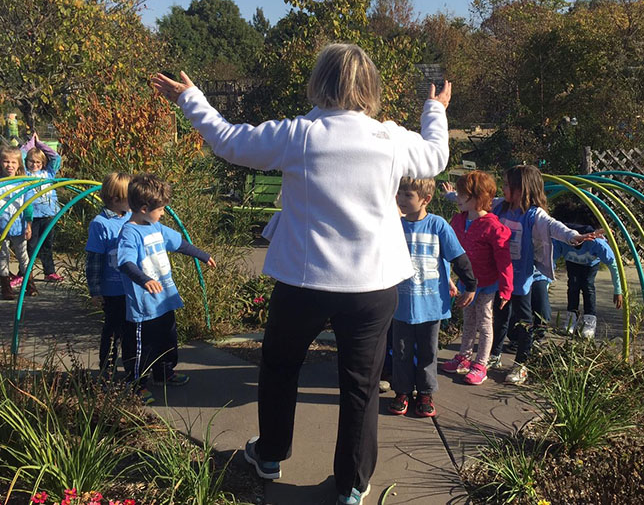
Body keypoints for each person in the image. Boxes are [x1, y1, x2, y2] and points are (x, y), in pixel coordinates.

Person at [152, 43, 452, 505]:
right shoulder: (390, 139)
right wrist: (434, 108)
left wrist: (192, 98)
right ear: (369, 87)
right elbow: (435, 157)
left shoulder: (300, 134)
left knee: (280, 365)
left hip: (304, 281)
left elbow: (229, 141)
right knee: (361, 383)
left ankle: (270, 453)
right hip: (372, 287)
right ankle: (351, 484)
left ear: (320, 82)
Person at [486, 165, 597, 384]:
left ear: (522, 189)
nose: (503, 188)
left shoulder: (533, 214)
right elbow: (478, 202)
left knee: (525, 320)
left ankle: (521, 364)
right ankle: (494, 355)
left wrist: (574, 236)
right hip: (502, 274)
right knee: (500, 316)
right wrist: (453, 196)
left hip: (522, 276)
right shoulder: (500, 207)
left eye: (508, 185)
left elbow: (554, 226)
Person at [117, 173, 216, 404]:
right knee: (141, 347)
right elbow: (125, 262)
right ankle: (136, 383)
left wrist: (202, 255)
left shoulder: (156, 227)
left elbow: (179, 243)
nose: (162, 213)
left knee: (167, 339)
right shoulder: (129, 233)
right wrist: (144, 280)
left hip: (164, 299)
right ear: (143, 208)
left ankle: (164, 373)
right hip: (144, 306)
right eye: (160, 209)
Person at [389, 177, 476, 417]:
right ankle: (402, 391)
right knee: (401, 352)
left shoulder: (437, 226)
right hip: (400, 305)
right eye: (399, 194)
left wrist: (470, 285)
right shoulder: (394, 226)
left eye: (408, 195)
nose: (401, 199)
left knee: (428, 352)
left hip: (431, 305)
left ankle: (426, 393)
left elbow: (458, 257)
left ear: (425, 199)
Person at [440, 171, 513, 385]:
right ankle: (464, 356)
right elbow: (448, 250)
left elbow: (504, 261)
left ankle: (481, 363)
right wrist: (450, 279)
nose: (458, 198)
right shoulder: (458, 220)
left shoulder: (493, 227)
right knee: (468, 320)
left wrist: (506, 290)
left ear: (477, 198)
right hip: (465, 282)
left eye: (462, 195)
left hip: (487, 284)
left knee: (484, 321)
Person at [551, 200, 623, 338]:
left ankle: (589, 321)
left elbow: (613, 265)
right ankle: (571, 319)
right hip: (572, 262)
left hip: (589, 265)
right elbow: (550, 260)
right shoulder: (562, 241)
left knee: (588, 286)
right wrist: (546, 281)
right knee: (572, 286)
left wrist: (617, 290)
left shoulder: (598, 244)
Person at [85, 172, 132, 378]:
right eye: (129, 196)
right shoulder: (100, 223)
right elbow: (94, 260)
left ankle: (132, 370)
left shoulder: (132, 217)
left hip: (131, 288)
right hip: (112, 290)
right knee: (112, 332)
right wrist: (95, 291)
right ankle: (107, 370)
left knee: (130, 332)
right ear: (115, 199)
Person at [0, 147, 38, 299]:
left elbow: (28, 205)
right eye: (6, 161)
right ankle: (6, 288)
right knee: (3, 256)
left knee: (23, 256)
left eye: (13, 162)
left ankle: (30, 285)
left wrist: (28, 225)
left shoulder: (23, 182)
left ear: (19, 164)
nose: (10, 165)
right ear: (0, 163)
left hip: (18, 227)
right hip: (0, 227)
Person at [22, 133, 64, 283]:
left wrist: (40, 144)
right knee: (31, 245)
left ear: (43, 163)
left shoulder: (48, 173)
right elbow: (20, 155)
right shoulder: (24, 174)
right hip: (32, 216)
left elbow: (56, 158)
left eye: (38, 162)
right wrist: (30, 144)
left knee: (47, 244)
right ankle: (27, 273)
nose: (34, 165)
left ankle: (49, 272)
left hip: (48, 213)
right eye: (31, 162)